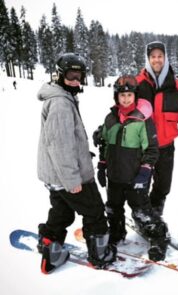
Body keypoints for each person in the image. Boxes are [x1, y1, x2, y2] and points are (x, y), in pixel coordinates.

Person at [37, 53, 116, 274]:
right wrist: (72, 179)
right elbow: (59, 146)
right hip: (68, 176)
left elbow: (62, 140)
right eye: (71, 75)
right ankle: (100, 255)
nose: (75, 80)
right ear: (60, 75)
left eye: (79, 76)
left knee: (62, 212)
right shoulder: (61, 104)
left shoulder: (62, 98)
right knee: (94, 211)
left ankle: (50, 248)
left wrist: (82, 153)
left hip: (55, 176)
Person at [93, 75, 170, 261]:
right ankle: (117, 232)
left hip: (136, 177)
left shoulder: (143, 120)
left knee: (141, 211)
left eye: (129, 95)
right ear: (116, 97)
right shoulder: (110, 119)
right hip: (114, 176)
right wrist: (102, 166)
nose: (126, 99)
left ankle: (159, 238)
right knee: (113, 208)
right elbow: (104, 144)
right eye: (122, 95)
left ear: (135, 96)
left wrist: (145, 170)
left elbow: (152, 149)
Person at [136, 41, 178, 218]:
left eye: (160, 56)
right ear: (148, 59)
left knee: (163, 185)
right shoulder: (138, 84)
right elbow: (124, 108)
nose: (156, 60)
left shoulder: (177, 87)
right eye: (153, 57)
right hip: (142, 146)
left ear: (165, 58)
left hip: (166, 146)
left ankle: (155, 214)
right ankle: (142, 213)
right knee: (140, 183)